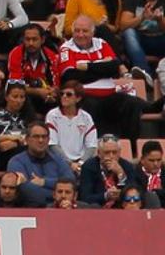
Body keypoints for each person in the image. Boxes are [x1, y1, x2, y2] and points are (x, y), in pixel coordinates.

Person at [57, 15, 146, 144]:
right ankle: (97, 147)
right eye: (77, 31)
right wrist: (102, 68)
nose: (80, 35)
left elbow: (114, 67)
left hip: (109, 95)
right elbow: (70, 76)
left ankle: (131, 146)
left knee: (132, 103)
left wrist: (86, 66)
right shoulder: (66, 48)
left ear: (93, 32)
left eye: (85, 31)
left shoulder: (101, 43)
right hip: (84, 97)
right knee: (92, 105)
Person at [0, 83, 36, 174]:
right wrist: (4, 138)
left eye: (22, 97)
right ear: (6, 97)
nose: (19, 100)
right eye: (15, 96)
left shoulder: (29, 118)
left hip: (21, 152)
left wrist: (16, 143)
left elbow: (36, 138)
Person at [45, 80, 98, 170]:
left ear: (78, 98)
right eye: (62, 94)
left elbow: (91, 146)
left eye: (69, 94)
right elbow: (52, 145)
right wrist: (69, 163)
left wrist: (80, 163)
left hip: (82, 163)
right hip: (58, 162)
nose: (64, 97)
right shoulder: (52, 115)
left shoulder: (86, 117)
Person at [8, 23, 61, 111]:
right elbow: (15, 85)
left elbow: (56, 83)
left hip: (45, 94)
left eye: (34, 39)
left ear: (42, 40)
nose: (30, 43)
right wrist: (38, 92)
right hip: (23, 95)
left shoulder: (51, 56)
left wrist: (52, 91)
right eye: (27, 39)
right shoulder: (16, 53)